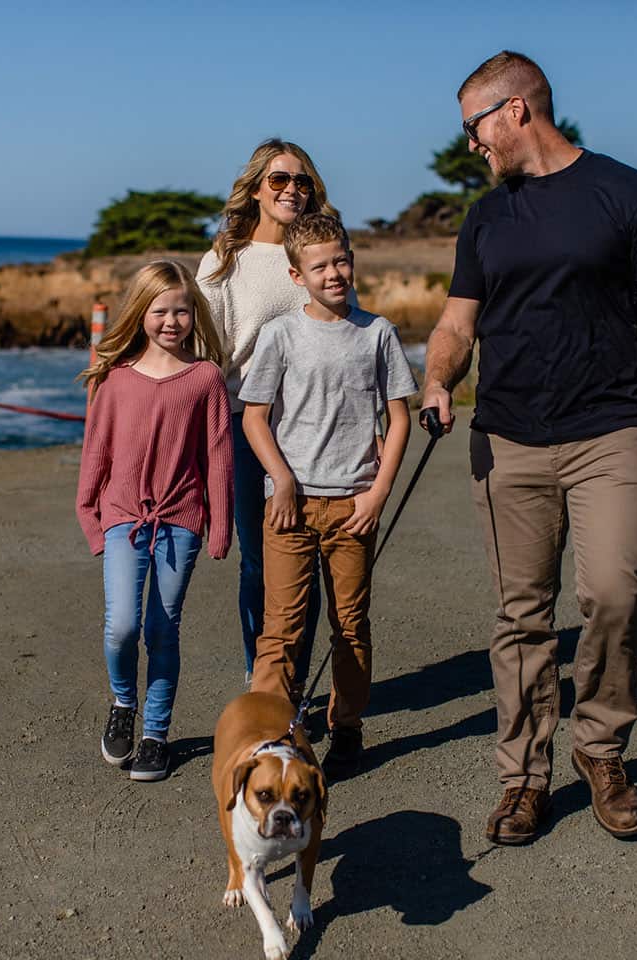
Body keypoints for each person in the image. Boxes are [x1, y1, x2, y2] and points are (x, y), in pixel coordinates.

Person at [421, 51, 637, 843]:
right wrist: (439, 379)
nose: (470, 146)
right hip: (507, 439)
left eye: (472, 126)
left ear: (516, 110)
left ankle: (602, 750)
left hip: (609, 430)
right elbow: (457, 321)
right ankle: (523, 779)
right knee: (521, 618)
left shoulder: (627, 194)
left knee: (615, 596)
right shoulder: (487, 217)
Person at [240, 213, 417, 780]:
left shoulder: (378, 332)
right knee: (281, 629)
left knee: (350, 625)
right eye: (320, 266)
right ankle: (269, 735)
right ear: (297, 275)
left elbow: (398, 416)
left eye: (341, 261)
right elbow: (255, 418)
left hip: (353, 506)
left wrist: (378, 492)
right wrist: (282, 480)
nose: (334, 273)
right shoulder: (281, 335)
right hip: (289, 507)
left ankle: (347, 728)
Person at [75, 260, 234, 783]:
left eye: (182, 311)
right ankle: (124, 703)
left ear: (195, 314)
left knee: (163, 630)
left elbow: (217, 455)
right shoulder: (115, 380)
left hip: (181, 522)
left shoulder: (205, 378)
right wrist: (91, 521)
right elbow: (95, 453)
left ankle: (156, 735)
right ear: (140, 312)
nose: (171, 321)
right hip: (123, 518)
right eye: (160, 310)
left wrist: (220, 526)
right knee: (122, 626)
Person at [198, 139, 346, 692]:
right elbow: (208, 356)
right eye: (280, 179)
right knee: (260, 560)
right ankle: (261, 678)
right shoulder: (223, 262)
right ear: (256, 187)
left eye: (302, 181)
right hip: (245, 425)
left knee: (305, 562)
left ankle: (296, 688)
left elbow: (343, 332)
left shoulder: (320, 251)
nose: (292, 190)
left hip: (317, 425)